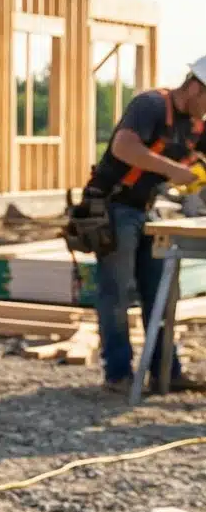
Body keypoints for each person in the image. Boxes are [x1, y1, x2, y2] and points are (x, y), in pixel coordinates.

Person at [82, 58, 206, 391]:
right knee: (118, 292)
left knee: (159, 293)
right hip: (113, 207)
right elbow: (124, 146)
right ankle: (119, 374)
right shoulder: (150, 105)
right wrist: (172, 169)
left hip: (146, 211)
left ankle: (167, 371)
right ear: (195, 87)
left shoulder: (194, 125)